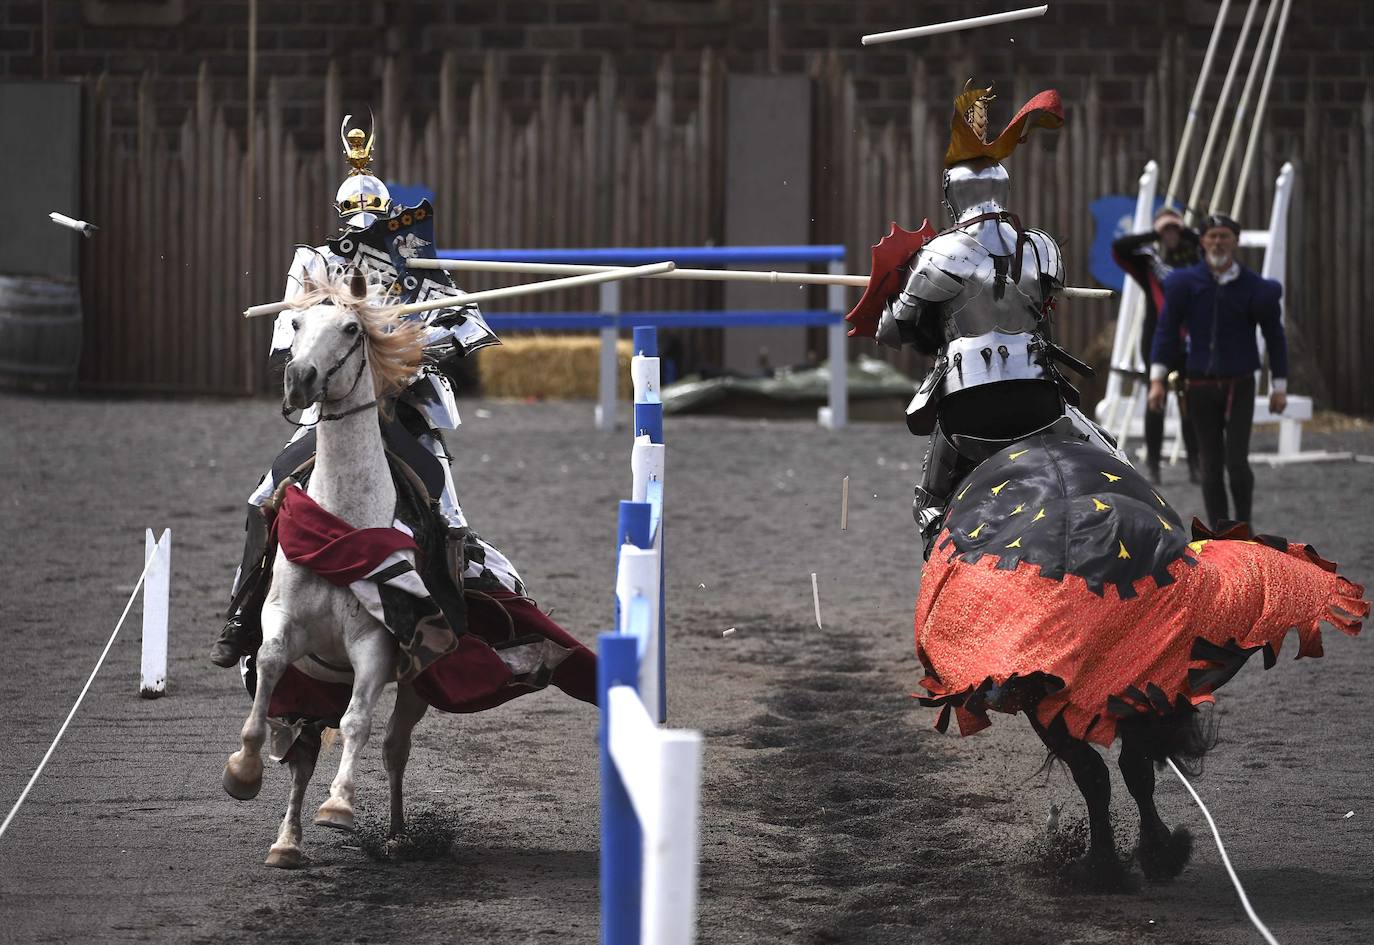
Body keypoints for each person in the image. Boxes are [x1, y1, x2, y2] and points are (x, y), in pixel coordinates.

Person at [209, 117, 512, 669]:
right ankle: (241, 615)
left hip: (404, 405)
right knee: (263, 498)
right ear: (340, 214)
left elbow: (470, 323)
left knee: (447, 510)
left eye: (372, 213)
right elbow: (290, 338)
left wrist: (424, 346)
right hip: (333, 409)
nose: (363, 223)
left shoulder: (412, 261)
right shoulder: (316, 263)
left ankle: (449, 621)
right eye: (353, 213)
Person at [850, 80, 1124, 557]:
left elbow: (891, 330)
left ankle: (944, 576)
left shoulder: (941, 253)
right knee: (1114, 461)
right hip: (1038, 399)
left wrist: (899, 287)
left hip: (969, 404)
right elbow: (1045, 304)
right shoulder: (1041, 247)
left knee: (931, 502)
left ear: (953, 194)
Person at [1147, 212, 1287, 527]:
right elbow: (1166, 331)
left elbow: (1276, 338)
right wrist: (1157, 380)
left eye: (1224, 236)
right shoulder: (1184, 283)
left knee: (1236, 461)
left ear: (1235, 241)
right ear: (1202, 241)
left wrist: (1279, 387)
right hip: (1199, 386)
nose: (1218, 242)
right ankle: (1222, 533)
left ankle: (1245, 526)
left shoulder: (1257, 288)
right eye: (1212, 236)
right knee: (1210, 465)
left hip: (1239, 385)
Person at [1111, 205, 1201, 483]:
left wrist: (1185, 230)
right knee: (1156, 400)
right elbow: (1119, 248)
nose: (1171, 234)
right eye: (1167, 230)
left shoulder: (1193, 255)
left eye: (1175, 229)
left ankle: (1196, 466)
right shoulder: (1148, 260)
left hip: (1190, 337)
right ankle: (1154, 465)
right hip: (1157, 337)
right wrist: (1155, 232)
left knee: (1189, 401)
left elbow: (1211, 247)